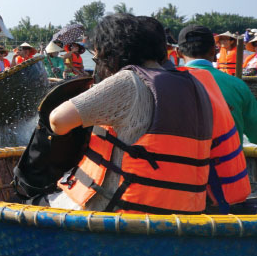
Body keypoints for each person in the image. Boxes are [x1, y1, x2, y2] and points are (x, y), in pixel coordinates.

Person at [46, 14, 245, 214]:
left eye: (98, 58)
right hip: (184, 215)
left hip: (124, 213)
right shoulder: (195, 83)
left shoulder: (129, 81)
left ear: (111, 53)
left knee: (42, 198)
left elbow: (58, 121)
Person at [179, 25, 257, 147]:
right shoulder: (238, 85)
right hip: (227, 164)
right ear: (213, 51)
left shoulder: (164, 84)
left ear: (179, 54)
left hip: (183, 164)